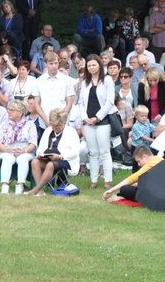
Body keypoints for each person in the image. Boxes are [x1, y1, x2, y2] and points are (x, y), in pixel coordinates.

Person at [78, 54, 117, 189]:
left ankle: (107, 181)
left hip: (103, 120)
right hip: (88, 121)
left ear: (99, 66)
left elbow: (109, 102)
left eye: (94, 65)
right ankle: (93, 181)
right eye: (89, 65)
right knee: (93, 152)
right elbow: (81, 102)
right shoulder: (84, 82)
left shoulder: (107, 80)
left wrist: (97, 117)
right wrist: (85, 118)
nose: (91, 67)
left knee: (104, 151)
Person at [26, 108, 80, 196]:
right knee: (35, 161)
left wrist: (60, 157)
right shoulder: (48, 131)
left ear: (64, 123)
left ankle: (36, 189)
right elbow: (41, 147)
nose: (55, 128)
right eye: (53, 126)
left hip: (66, 161)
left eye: (58, 126)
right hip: (48, 158)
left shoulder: (72, 132)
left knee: (51, 165)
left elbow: (75, 152)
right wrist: (40, 154)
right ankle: (40, 191)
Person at [0, 99, 37, 194]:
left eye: (12, 110)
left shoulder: (30, 125)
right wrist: (8, 150)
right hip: (6, 150)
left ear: (20, 113)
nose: (9, 112)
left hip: (26, 151)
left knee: (22, 159)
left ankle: (20, 185)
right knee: (8, 158)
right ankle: (5, 185)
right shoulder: (4, 124)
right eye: (8, 110)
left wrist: (24, 150)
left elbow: (33, 143)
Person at [32, 52, 75, 126]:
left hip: (62, 122)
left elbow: (69, 102)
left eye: (56, 63)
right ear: (45, 64)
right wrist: (45, 119)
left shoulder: (66, 80)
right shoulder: (39, 81)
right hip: (45, 122)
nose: (54, 66)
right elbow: (37, 103)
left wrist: (61, 118)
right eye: (51, 64)